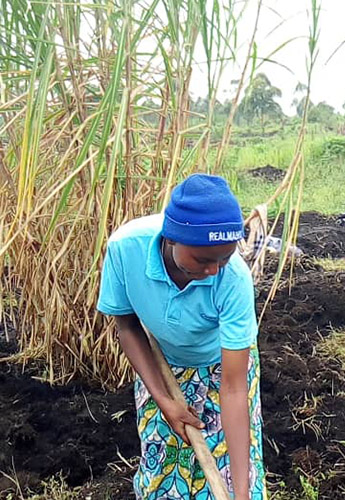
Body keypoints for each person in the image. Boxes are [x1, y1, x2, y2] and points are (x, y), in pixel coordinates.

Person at [97, 173, 265, 500]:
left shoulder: (233, 280)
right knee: (164, 468)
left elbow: (233, 388)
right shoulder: (125, 249)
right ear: (171, 238)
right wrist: (164, 400)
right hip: (162, 368)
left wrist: (242, 495)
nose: (215, 270)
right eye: (203, 260)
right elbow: (127, 326)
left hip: (222, 369)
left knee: (232, 474)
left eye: (225, 257)